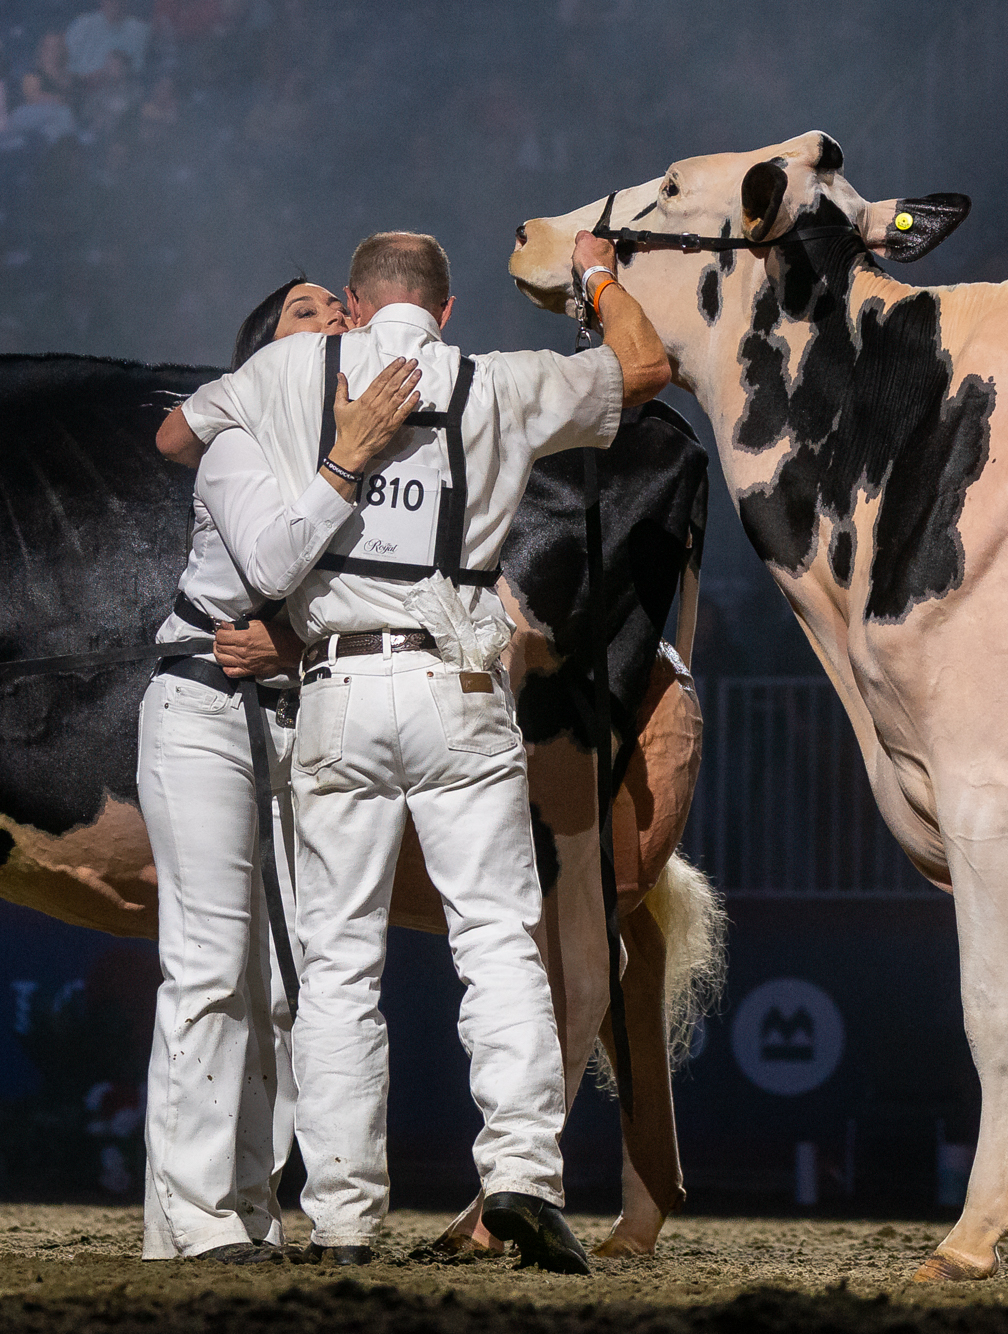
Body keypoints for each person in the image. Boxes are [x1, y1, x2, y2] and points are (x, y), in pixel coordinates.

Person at [168, 230, 669, 1272]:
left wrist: (286, 429)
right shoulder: (501, 381)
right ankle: (522, 1174)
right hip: (461, 686)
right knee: (495, 938)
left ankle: (342, 1219)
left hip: (336, 685)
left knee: (338, 961)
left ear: (354, 305)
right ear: (445, 312)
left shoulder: (290, 368)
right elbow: (645, 366)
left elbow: (175, 437)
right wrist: (595, 272)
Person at [139, 276, 422, 1265]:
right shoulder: (239, 441)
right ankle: (193, 1217)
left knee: (290, 985)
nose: (332, 321)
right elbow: (268, 566)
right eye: (305, 313)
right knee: (212, 968)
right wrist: (346, 460)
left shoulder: (382, 466)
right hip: (203, 711)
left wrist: (297, 648)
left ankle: (249, 1210)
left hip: (304, 713)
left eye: (338, 310)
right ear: (264, 357)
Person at [65, 0, 149, 79]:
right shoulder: (82, 25)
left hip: (121, 86)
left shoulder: (139, 31)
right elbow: (66, 63)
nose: (115, 3)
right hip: (79, 84)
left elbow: (139, 70)